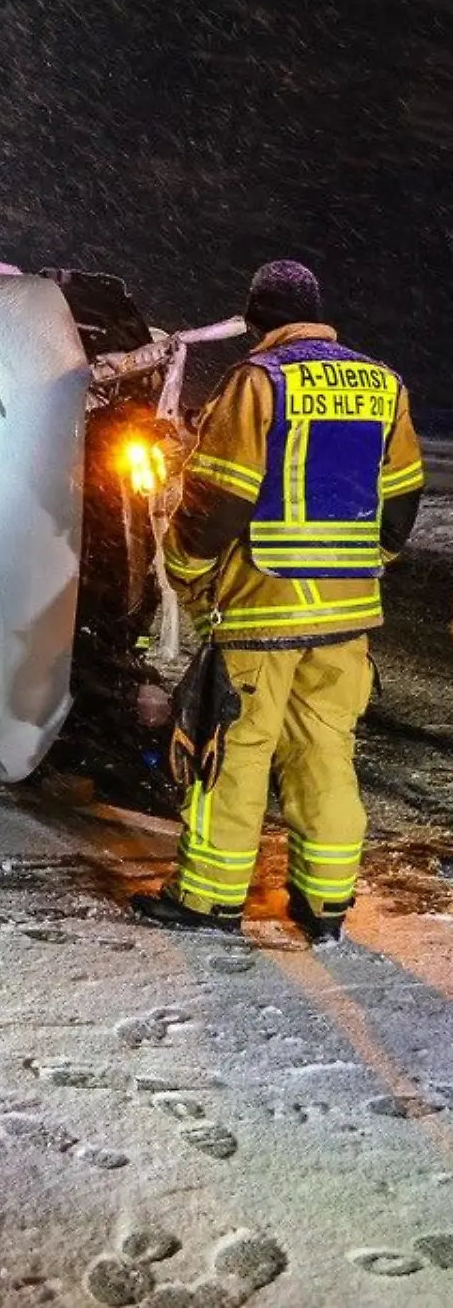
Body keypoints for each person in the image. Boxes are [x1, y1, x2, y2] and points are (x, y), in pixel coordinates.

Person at [133, 260, 424, 943]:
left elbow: (221, 497)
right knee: (325, 753)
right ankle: (324, 904)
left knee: (231, 753)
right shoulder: (384, 384)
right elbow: (404, 496)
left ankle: (209, 900)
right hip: (346, 619)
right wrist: (365, 563)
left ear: (256, 321)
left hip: (261, 610)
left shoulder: (257, 381)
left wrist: (182, 568)